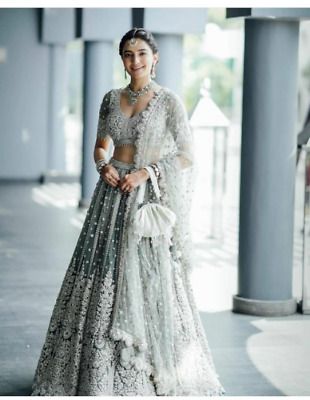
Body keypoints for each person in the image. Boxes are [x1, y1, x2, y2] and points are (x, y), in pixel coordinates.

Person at [30, 27, 226, 396]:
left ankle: (147, 368)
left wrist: (146, 173)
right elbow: (101, 144)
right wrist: (102, 165)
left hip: (144, 198)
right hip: (110, 196)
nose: (134, 61)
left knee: (147, 277)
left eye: (140, 53)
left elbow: (186, 155)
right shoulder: (110, 98)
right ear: (121, 59)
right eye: (127, 54)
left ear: (155, 58)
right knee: (99, 271)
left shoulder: (168, 102)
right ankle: (91, 373)